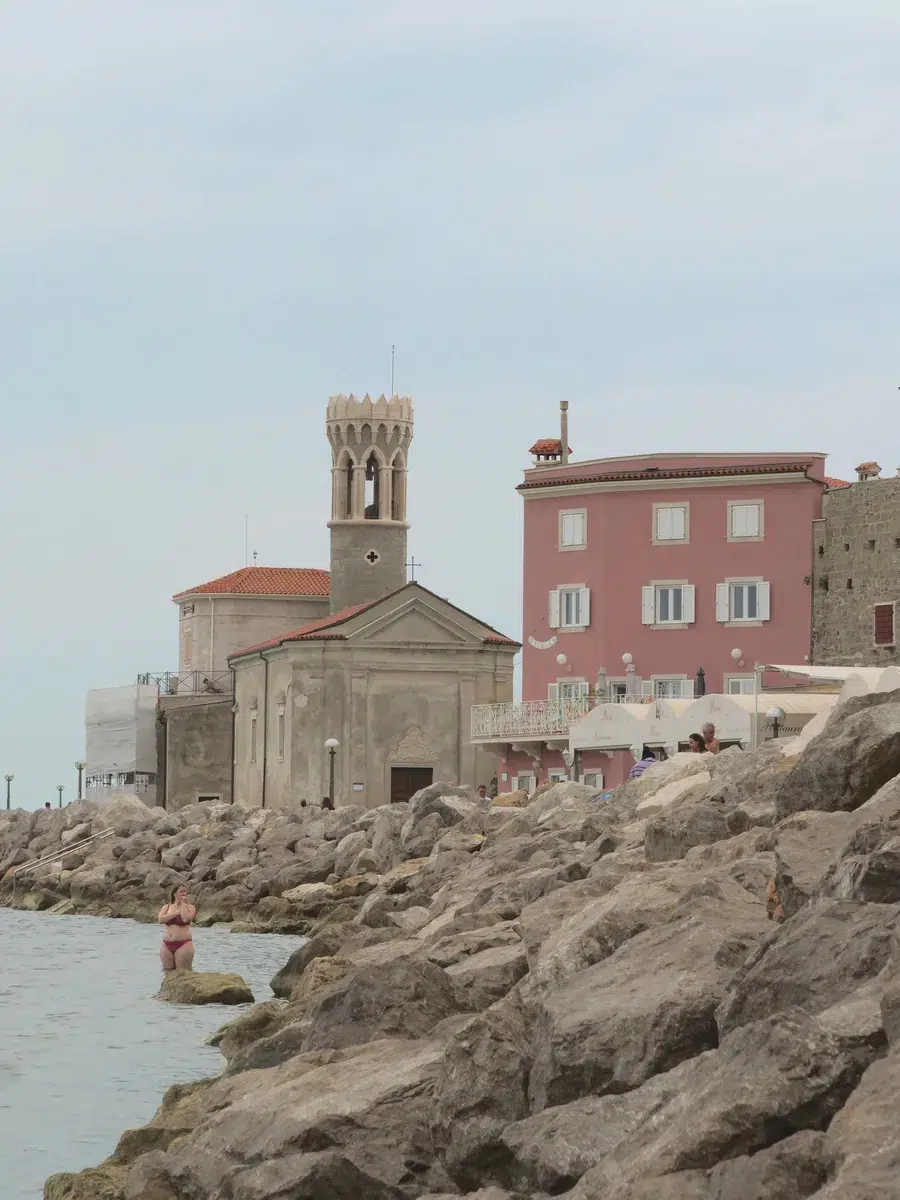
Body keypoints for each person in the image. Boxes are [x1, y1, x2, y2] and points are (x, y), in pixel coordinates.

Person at [157, 884, 196, 972]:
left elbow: (185, 918)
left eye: (185, 891)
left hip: (183, 944)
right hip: (166, 945)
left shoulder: (190, 907)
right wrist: (176, 913)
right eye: (181, 891)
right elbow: (160, 919)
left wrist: (182, 904)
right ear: (174, 893)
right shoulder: (167, 907)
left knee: (183, 972)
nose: (184, 893)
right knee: (166, 971)